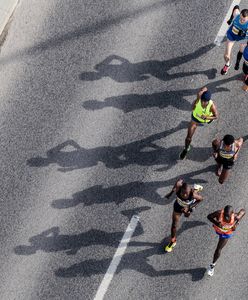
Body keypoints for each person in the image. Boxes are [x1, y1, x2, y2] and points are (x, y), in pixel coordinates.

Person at [164, 179, 203, 252]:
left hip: (188, 206)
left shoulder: (192, 194)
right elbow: (179, 180)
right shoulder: (178, 188)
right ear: (180, 189)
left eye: (186, 193)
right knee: (174, 225)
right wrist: (170, 193)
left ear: (190, 192)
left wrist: (189, 207)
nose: (184, 195)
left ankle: (196, 189)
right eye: (183, 193)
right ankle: (173, 241)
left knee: (186, 216)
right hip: (178, 207)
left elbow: (201, 199)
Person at [179, 87, 218, 160]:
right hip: (195, 119)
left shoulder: (212, 106)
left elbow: (216, 116)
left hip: (205, 119)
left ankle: (205, 121)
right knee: (188, 137)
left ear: (208, 101)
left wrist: (207, 117)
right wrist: (193, 104)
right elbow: (205, 88)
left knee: (208, 120)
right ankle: (186, 149)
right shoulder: (199, 96)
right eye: (202, 100)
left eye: (205, 101)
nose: (203, 102)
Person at [207, 206, 245, 276]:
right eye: (225, 214)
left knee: (218, 249)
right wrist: (216, 223)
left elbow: (243, 211)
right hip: (218, 229)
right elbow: (209, 216)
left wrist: (236, 224)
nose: (226, 217)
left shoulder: (236, 216)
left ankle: (212, 265)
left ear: (232, 213)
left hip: (226, 233)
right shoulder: (219, 213)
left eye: (228, 215)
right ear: (223, 212)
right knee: (218, 247)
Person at [221, 6, 248, 75]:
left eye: (244, 20)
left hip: (241, 39)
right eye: (241, 18)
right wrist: (231, 19)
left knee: (242, 48)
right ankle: (227, 64)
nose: (241, 21)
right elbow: (236, 7)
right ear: (240, 14)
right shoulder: (237, 15)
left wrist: (244, 34)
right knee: (226, 55)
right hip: (232, 36)